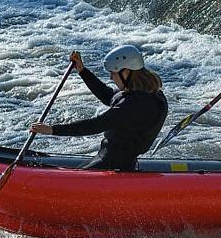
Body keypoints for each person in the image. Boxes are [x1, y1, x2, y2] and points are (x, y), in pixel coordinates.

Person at [31, 46, 168, 171]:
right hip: (117, 160)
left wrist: (53, 130)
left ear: (126, 72)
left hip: (114, 164)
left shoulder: (133, 105)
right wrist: (82, 71)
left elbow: (95, 125)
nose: (111, 77)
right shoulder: (148, 93)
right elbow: (108, 96)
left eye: (113, 73)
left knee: (77, 179)